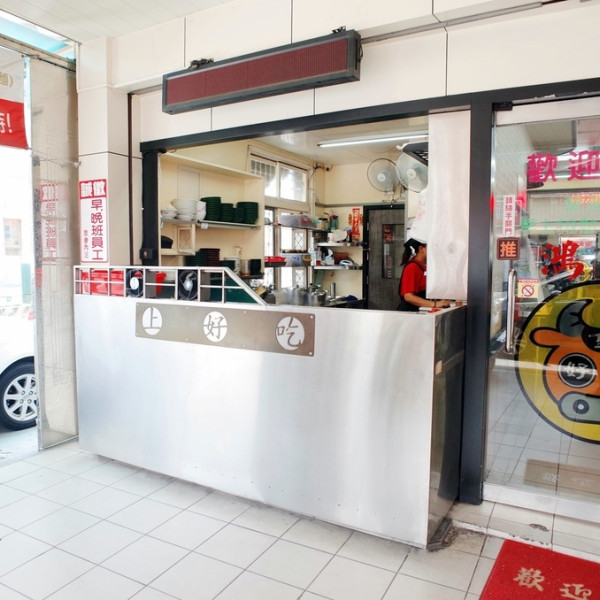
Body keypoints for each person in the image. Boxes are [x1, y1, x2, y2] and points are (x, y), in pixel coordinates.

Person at [397, 237, 451, 311]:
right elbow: (408, 296)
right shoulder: (412, 267)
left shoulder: (424, 266)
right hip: (410, 313)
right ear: (421, 249)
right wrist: (435, 304)